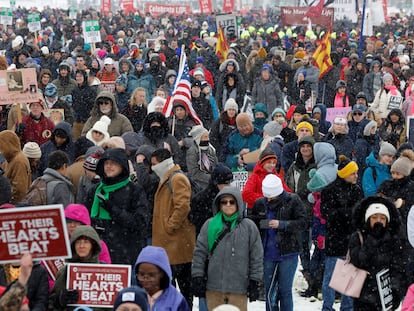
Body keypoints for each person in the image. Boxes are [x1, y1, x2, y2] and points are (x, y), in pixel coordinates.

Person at [192, 186, 263, 311]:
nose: (228, 205)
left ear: (238, 204)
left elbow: (256, 256)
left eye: (232, 201)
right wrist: (197, 275)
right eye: (224, 202)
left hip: (238, 288)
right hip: (213, 287)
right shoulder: (210, 225)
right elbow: (199, 253)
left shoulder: (249, 227)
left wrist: (255, 280)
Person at [249, 174, 307, 311]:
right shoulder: (260, 203)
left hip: (288, 253)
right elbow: (253, 223)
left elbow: (303, 223)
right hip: (267, 254)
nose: (269, 199)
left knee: (285, 291)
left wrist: (283, 224)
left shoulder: (293, 200)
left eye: (272, 197)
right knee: (269, 291)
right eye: (267, 196)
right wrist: (262, 224)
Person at [87, 148, 150, 265]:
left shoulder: (134, 190)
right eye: (106, 163)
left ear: (122, 166)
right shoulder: (95, 190)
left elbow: (140, 222)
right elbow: (85, 220)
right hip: (96, 254)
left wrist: (113, 209)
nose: (109, 167)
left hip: (125, 254)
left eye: (113, 163)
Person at [150, 148, 195, 308]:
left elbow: (183, 206)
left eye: (155, 164)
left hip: (177, 244)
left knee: (182, 290)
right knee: (171, 289)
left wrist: (170, 226)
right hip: (170, 244)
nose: (153, 168)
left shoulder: (177, 178)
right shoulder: (168, 177)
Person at [320, 155, 363, 311]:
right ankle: (327, 307)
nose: (356, 176)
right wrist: (349, 213)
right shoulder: (330, 190)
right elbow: (326, 214)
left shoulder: (357, 190)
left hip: (352, 240)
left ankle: (348, 307)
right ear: (345, 173)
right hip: (335, 238)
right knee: (331, 277)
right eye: (353, 173)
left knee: (351, 277)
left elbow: (360, 213)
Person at [349, 196, 405, 310]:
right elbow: (358, 260)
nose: (378, 221)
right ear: (368, 219)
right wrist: (372, 239)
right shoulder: (358, 237)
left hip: (386, 293)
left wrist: (395, 290)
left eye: (382, 218)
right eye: (374, 217)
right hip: (362, 293)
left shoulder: (394, 238)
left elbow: (399, 267)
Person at [48, 226, 102, 311]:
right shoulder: (65, 272)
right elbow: (51, 305)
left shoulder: (105, 271)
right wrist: (59, 300)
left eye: (86, 242)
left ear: (93, 245)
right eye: (78, 242)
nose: (81, 246)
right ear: (73, 245)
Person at [133, 246, 189, 311]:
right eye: (142, 274)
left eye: (151, 275)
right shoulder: (132, 296)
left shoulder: (176, 300)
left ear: (162, 273)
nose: (146, 279)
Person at [0, 130, 31, 203]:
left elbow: (19, 189)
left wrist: (9, 200)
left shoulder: (19, 161)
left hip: (16, 205)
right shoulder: (12, 158)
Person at [186, 125, 217, 189]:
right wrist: (211, 178)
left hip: (212, 183)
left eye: (208, 137)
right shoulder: (192, 152)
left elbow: (215, 164)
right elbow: (194, 173)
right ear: (198, 138)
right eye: (205, 137)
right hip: (198, 185)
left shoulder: (211, 150)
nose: (207, 139)